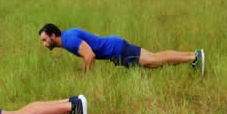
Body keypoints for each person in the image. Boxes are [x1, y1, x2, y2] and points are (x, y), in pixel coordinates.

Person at [38, 23, 204, 75]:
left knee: (154, 61)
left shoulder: (68, 41)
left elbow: (90, 55)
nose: (44, 44)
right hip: (116, 45)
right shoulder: (68, 34)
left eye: (45, 40)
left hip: (117, 50)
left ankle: (193, 57)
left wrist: (86, 77)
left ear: (53, 36)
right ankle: (193, 55)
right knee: (155, 58)